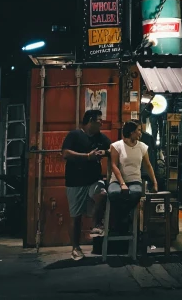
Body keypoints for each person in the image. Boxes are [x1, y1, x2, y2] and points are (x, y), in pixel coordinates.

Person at [61, 110, 111, 261]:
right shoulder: (74, 135)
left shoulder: (101, 138)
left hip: (94, 179)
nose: (101, 123)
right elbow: (65, 153)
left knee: (102, 194)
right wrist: (88, 157)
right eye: (99, 121)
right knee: (76, 217)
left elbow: (113, 150)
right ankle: (76, 248)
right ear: (90, 121)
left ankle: (97, 225)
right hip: (75, 182)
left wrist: (105, 151)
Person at [108, 121, 157, 214]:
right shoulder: (116, 146)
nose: (140, 133)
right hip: (117, 181)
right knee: (114, 193)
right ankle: (120, 220)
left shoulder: (142, 147)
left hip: (134, 180)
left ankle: (124, 219)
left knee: (135, 193)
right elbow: (114, 165)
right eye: (138, 130)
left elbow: (148, 165)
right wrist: (122, 183)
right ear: (131, 132)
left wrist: (155, 183)